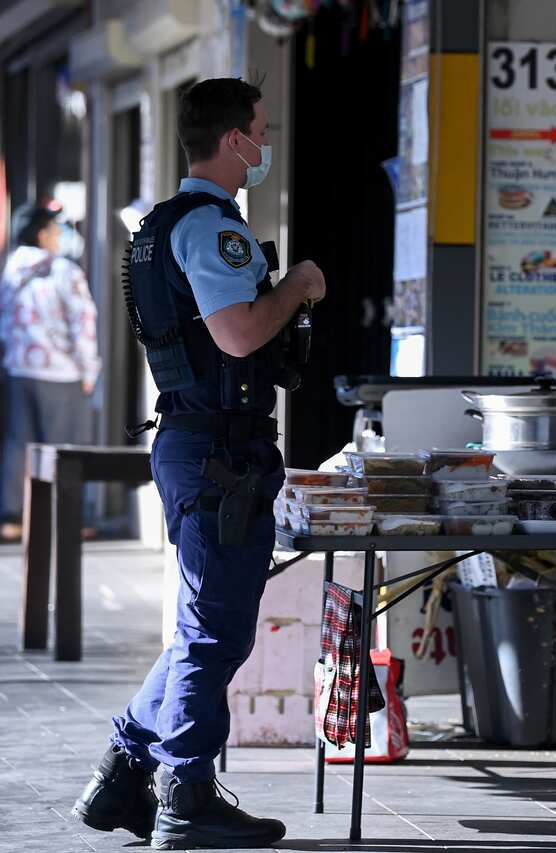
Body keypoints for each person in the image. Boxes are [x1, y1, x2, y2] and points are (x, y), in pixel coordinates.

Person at [72, 78, 326, 850]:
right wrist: (299, 287)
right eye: (260, 129)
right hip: (221, 449)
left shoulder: (158, 224)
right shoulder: (216, 230)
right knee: (213, 632)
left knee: (204, 625)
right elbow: (241, 335)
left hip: (196, 440)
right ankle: (184, 794)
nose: (265, 142)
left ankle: (123, 773)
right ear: (231, 140)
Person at [0, 202, 101, 540]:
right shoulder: (64, 271)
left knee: (19, 444)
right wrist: (90, 369)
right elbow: (82, 324)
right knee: (67, 449)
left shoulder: (12, 268)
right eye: (56, 230)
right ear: (42, 234)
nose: (60, 237)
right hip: (61, 373)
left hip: (19, 369)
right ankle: (70, 519)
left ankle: (14, 518)